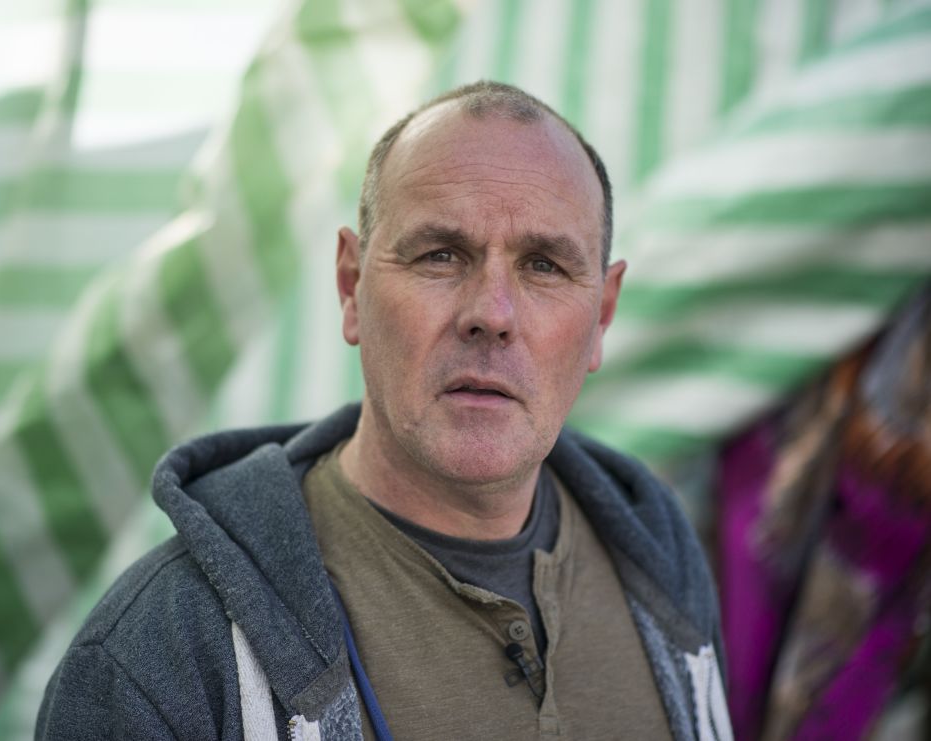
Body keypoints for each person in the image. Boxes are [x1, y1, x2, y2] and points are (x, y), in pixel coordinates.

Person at [37, 80, 731, 741]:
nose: (491, 313)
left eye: (544, 265)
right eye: (440, 254)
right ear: (351, 285)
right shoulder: (160, 651)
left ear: (601, 315)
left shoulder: (661, 572)